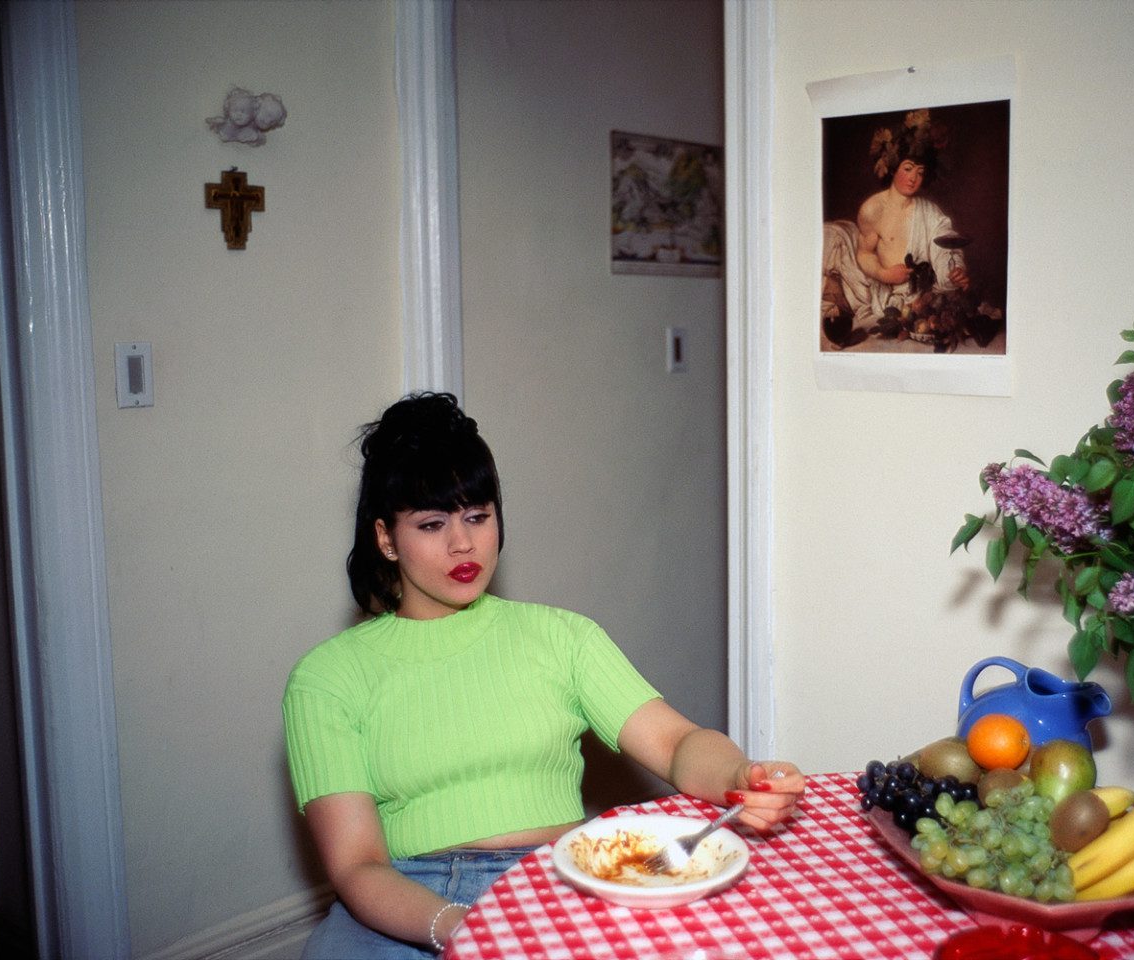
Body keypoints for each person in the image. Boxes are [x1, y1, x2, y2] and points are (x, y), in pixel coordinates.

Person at [283, 393, 805, 958]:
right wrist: (467, 927)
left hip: (556, 879)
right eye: (432, 524)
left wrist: (739, 773)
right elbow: (357, 866)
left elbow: (677, 743)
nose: (464, 543)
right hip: (406, 904)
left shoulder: (563, 638)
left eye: (478, 516)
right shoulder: (325, 679)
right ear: (386, 538)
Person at [822, 109, 972, 336]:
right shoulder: (873, 208)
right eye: (908, 169)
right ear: (893, 168)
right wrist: (884, 275)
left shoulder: (929, 211)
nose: (913, 178)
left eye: (920, 172)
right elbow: (864, 254)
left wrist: (955, 270)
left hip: (922, 297)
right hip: (885, 292)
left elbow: (945, 242)